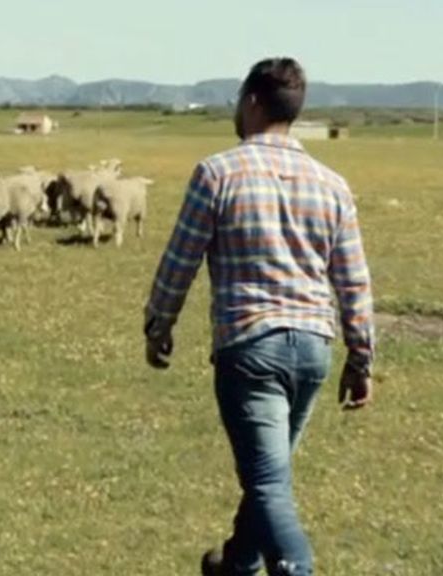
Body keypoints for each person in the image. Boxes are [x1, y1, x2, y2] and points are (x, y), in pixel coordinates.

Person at [142, 58, 375, 576]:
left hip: (250, 346)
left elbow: (181, 258)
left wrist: (159, 321)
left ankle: (296, 568)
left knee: (268, 482)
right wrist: (361, 359)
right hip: (313, 347)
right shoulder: (333, 184)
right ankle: (239, 563)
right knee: (269, 472)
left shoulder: (218, 172)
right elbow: (353, 281)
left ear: (250, 101)